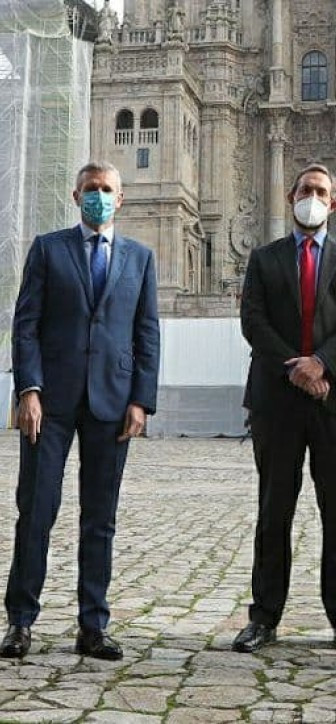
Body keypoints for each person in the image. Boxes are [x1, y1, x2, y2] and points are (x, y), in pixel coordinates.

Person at [0, 161, 160, 660]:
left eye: (107, 189)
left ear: (121, 198)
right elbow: (26, 324)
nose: (99, 196)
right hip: (49, 403)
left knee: (100, 518)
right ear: (76, 196)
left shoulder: (140, 258)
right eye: (91, 189)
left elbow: (147, 332)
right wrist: (28, 390)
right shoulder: (49, 249)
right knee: (36, 510)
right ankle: (20, 621)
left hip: (112, 402)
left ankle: (93, 624)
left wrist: (141, 400)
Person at [233, 164, 336, 654]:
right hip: (277, 397)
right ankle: (264, 616)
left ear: (333, 203)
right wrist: (296, 368)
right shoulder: (264, 258)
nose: (311, 198)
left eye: (320, 192)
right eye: (305, 190)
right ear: (290, 196)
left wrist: (321, 364)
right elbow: (253, 321)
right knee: (274, 509)